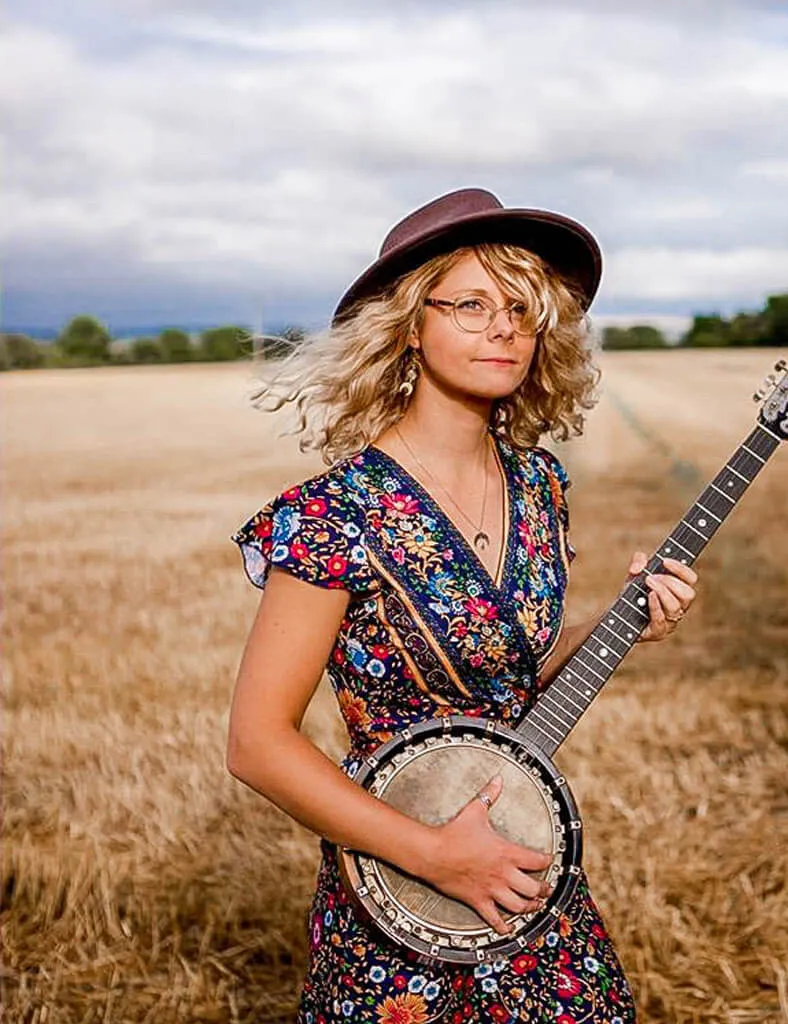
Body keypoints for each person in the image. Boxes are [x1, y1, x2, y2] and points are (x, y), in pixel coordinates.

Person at [227, 188, 698, 1024]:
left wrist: (622, 621)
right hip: (401, 899)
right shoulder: (334, 516)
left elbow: (511, 682)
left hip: (528, 872)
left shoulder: (540, 484)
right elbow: (258, 745)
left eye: (522, 308)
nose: (504, 328)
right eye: (472, 304)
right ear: (412, 323)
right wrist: (439, 857)